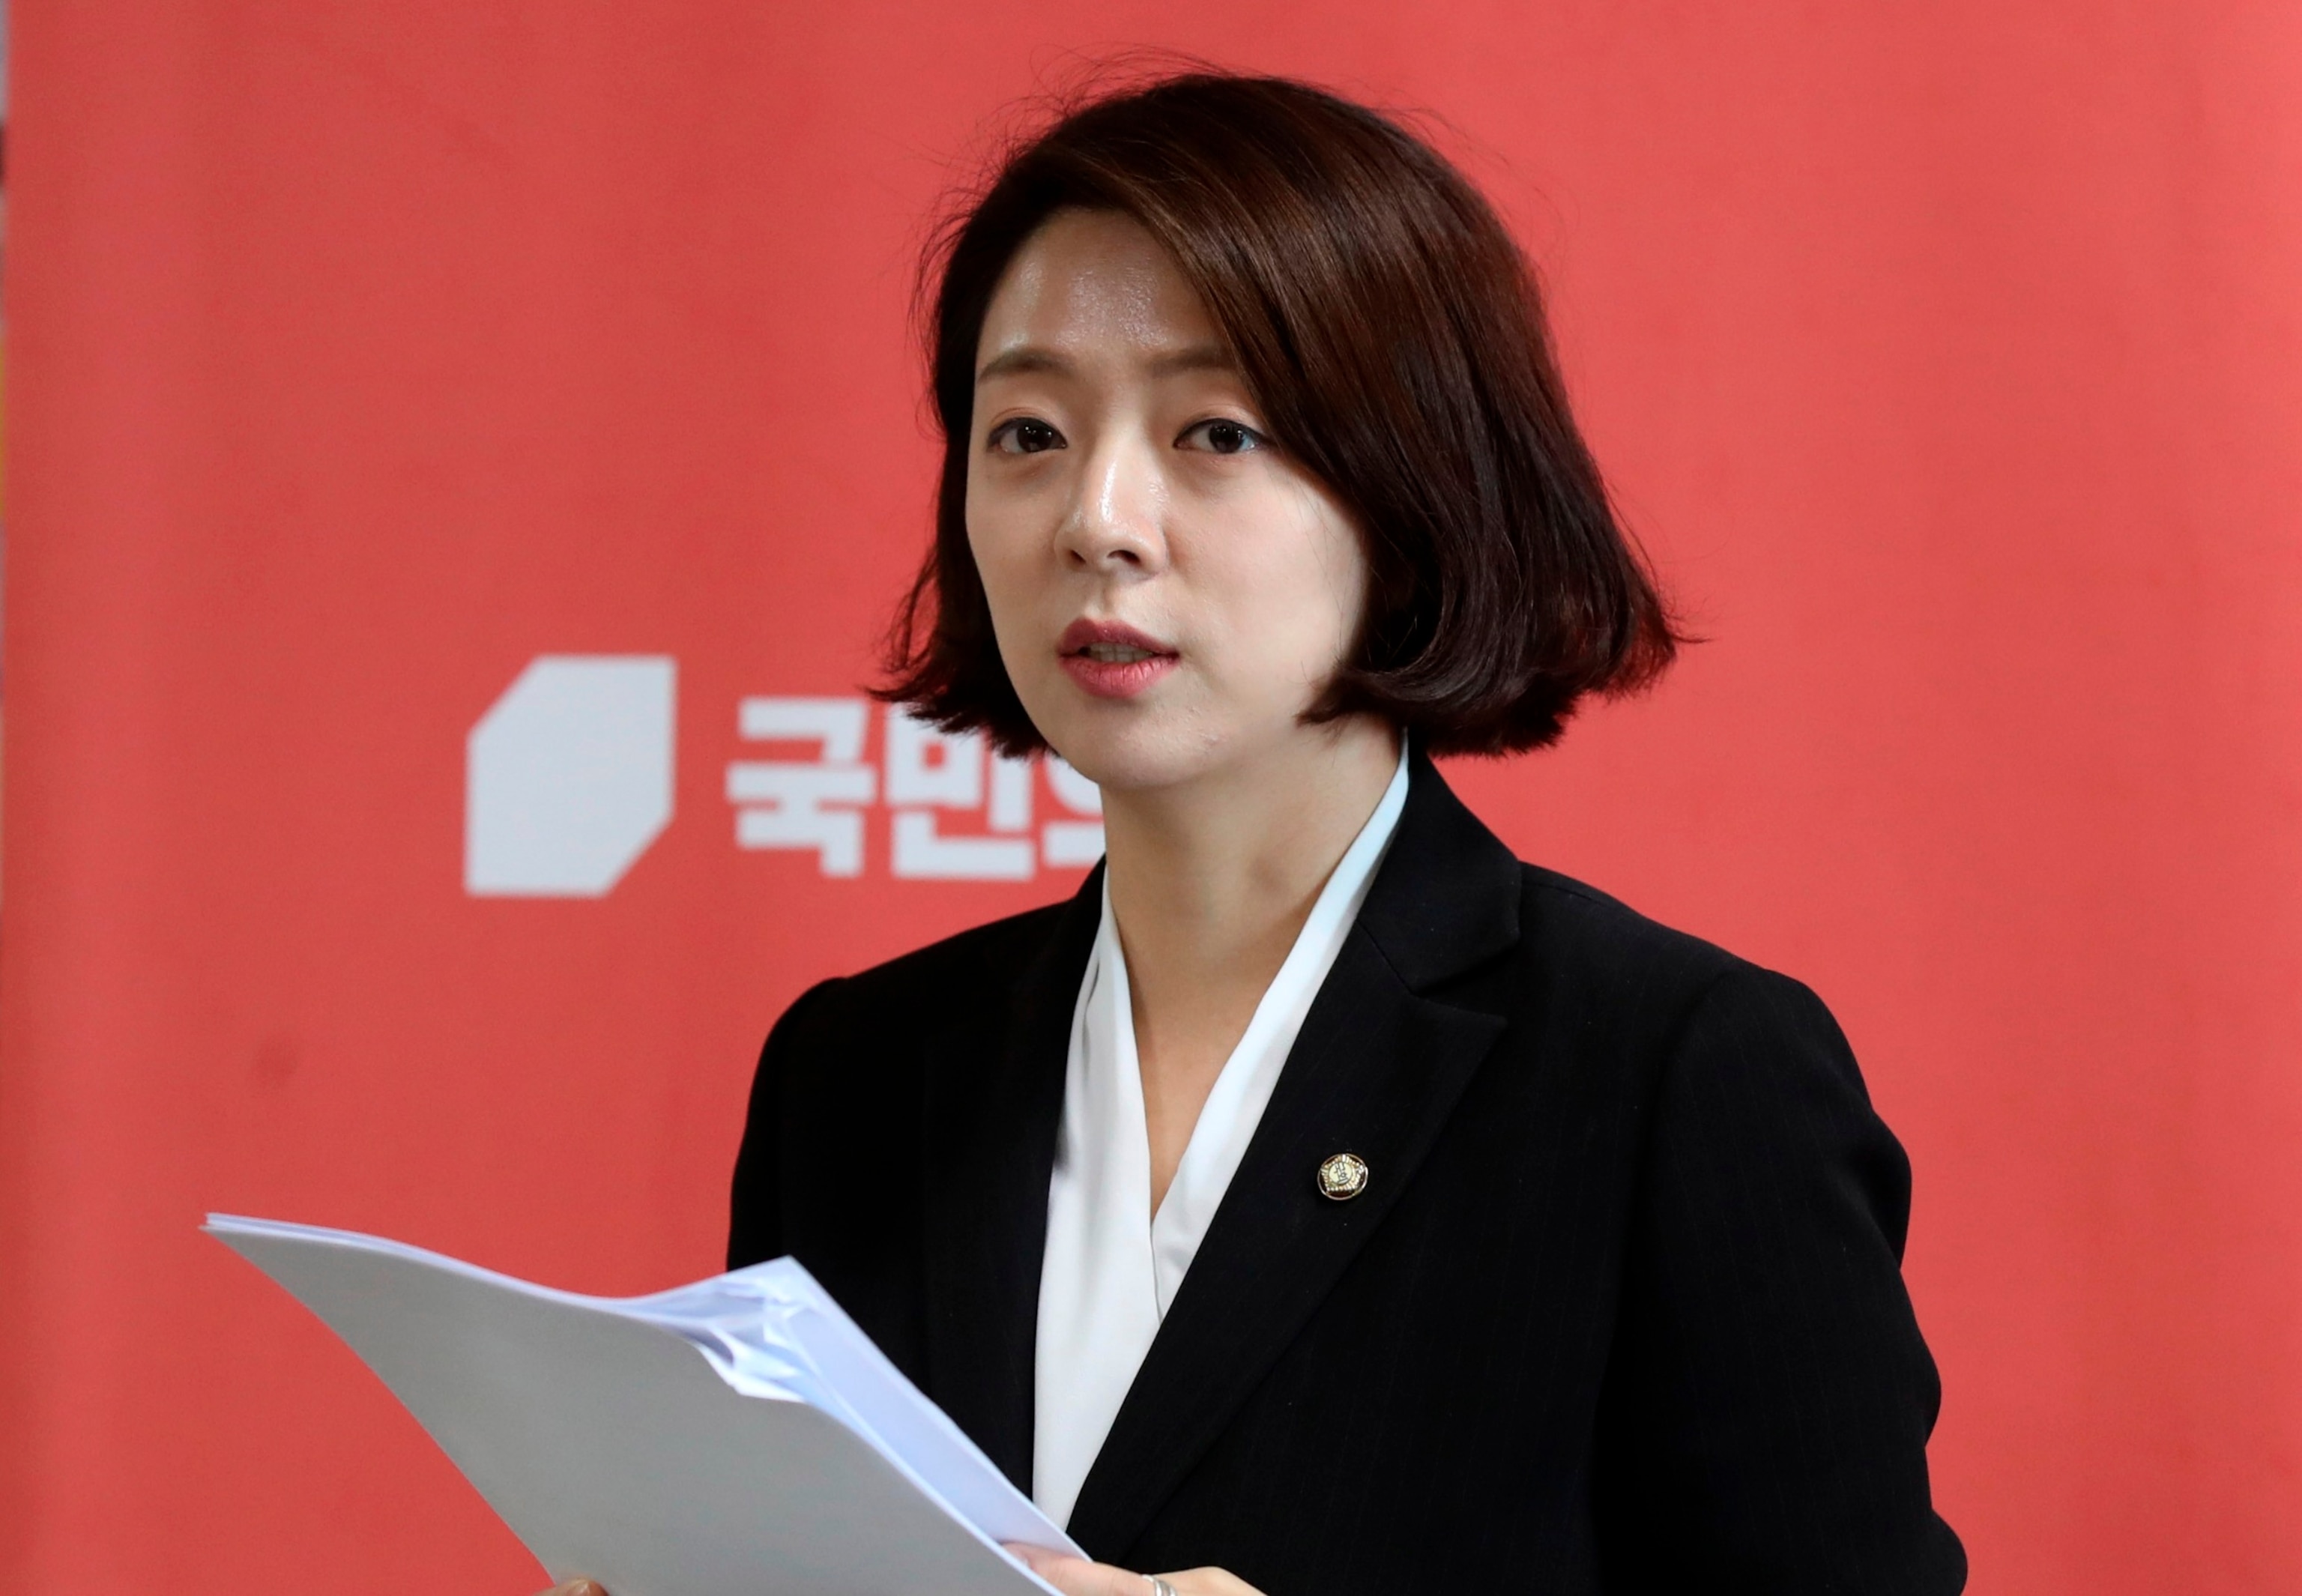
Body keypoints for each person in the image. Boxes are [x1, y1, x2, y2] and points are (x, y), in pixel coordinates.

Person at [546, 70, 1964, 1596]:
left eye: (1213, 432)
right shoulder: (856, 1072)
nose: (1098, 516)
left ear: (1413, 490)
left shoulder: (1674, 1070)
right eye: (1025, 430)